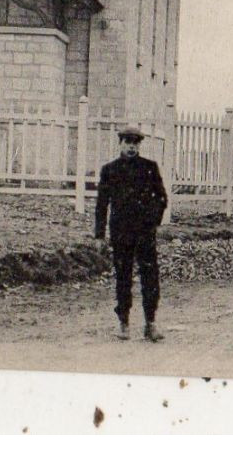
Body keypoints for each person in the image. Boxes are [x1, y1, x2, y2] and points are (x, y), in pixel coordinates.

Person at [94, 125, 169, 341]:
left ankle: (150, 323)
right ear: (120, 144)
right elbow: (102, 204)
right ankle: (123, 323)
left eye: (135, 143)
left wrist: (152, 221)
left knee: (150, 277)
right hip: (121, 233)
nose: (131, 147)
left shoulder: (149, 168)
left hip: (144, 233)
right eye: (127, 143)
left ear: (139, 145)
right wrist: (99, 235)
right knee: (123, 277)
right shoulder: (110, 170)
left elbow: (162, 199)